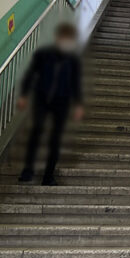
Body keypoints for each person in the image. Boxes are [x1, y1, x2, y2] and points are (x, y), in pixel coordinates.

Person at [17, 22, 84, 186]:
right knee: (37, 129)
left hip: (62, 101)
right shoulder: (43, 54)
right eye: (64, 38)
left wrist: (78, 104)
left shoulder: (73, 60)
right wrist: (24, 94)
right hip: (41, 98)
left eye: (70, 39)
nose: (67, 42)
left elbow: (75, 83)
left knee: (56, 138)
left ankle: (48, 176)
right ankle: (28, 170)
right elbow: (31, 74)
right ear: (58, 38)